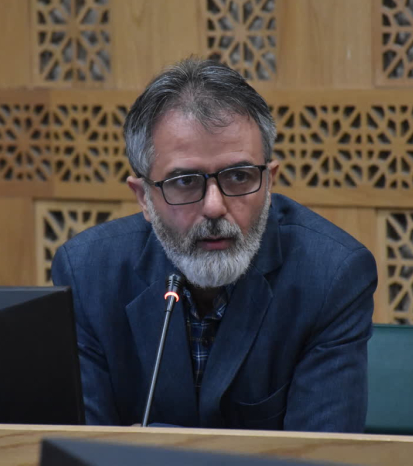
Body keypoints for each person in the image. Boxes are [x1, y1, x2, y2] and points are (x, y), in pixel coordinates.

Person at [51, 57, 377, 431]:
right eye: (185, 181)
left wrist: (155, 447)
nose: (214, 207)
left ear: (269, 182)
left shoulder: (331, 275)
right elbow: (78, 447)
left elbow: (319, 452)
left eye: (238, 176)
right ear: (143, 198)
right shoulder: (88, 274)